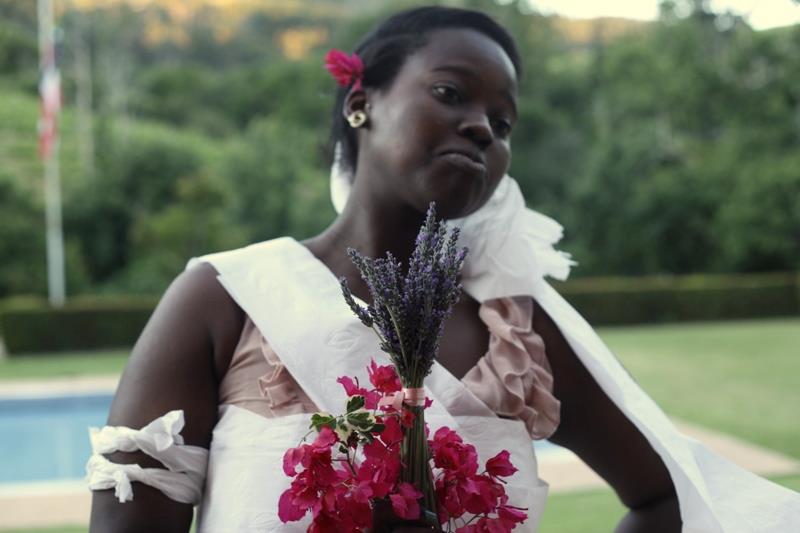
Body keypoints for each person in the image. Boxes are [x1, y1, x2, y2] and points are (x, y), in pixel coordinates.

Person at [86, 6, 799, 533]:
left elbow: (666, 498)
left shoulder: (517, 334)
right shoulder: (226, 297)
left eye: (503, 122)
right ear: (361, 104)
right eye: (452, 94)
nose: (483, 127)